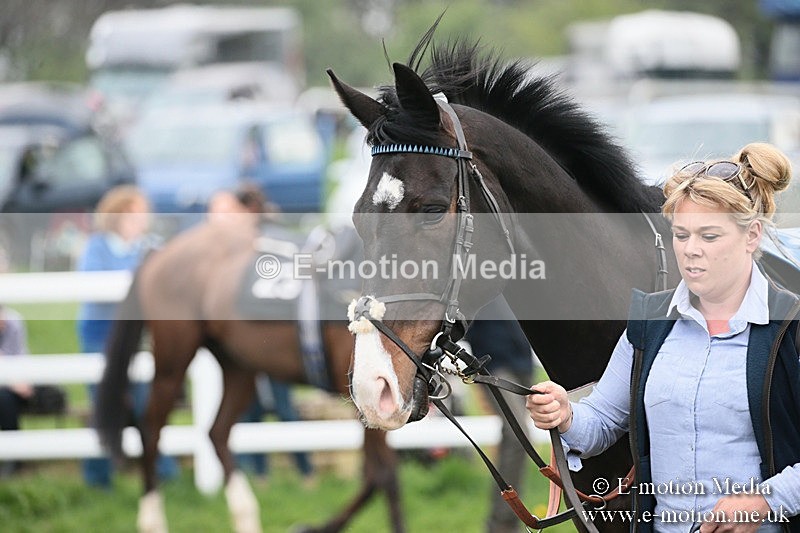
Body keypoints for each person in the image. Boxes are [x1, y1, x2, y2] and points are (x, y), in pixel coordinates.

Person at [526, 142, 800, 532]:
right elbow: (602, 421)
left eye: (709, 236)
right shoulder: (650, 323)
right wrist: (565, 414)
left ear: (752, 235)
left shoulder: (792, 326)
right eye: (681, 235)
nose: (690, 251)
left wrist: (763, 502)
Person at [77, 185, 178, 488]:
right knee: (105, 402)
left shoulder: (148, 246)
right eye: (135, 212)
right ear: (118, 215)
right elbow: (94, 287)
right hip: (100, 335)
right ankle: (98, 479)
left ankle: (164, 472)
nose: (142, 219)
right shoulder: (97, 246)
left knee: (147, 401)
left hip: (137, 339)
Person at [464, 296, 536, 533]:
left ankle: (509, 520)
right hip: (492, 364)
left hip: (523, 361)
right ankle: (502, 524)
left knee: (520, 440)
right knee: (517, 435)